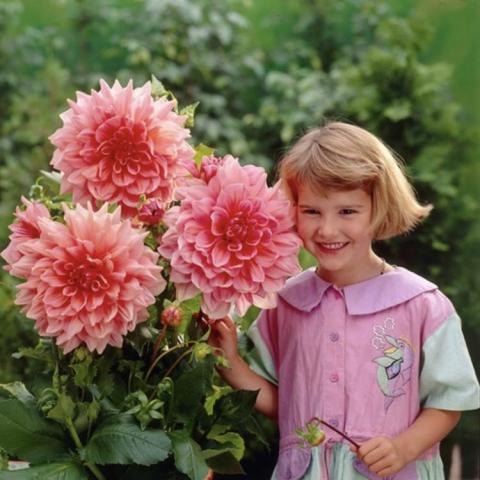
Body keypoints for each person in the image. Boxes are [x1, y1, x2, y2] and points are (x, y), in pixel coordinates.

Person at [208, 122, 480, 480]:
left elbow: (449, 401)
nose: (328, 230)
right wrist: (228, 360)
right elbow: (283, 404)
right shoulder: (285, 303)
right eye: (312, 211)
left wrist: (404, 447)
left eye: (347, 211)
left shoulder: (422, 305)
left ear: (378, 207)